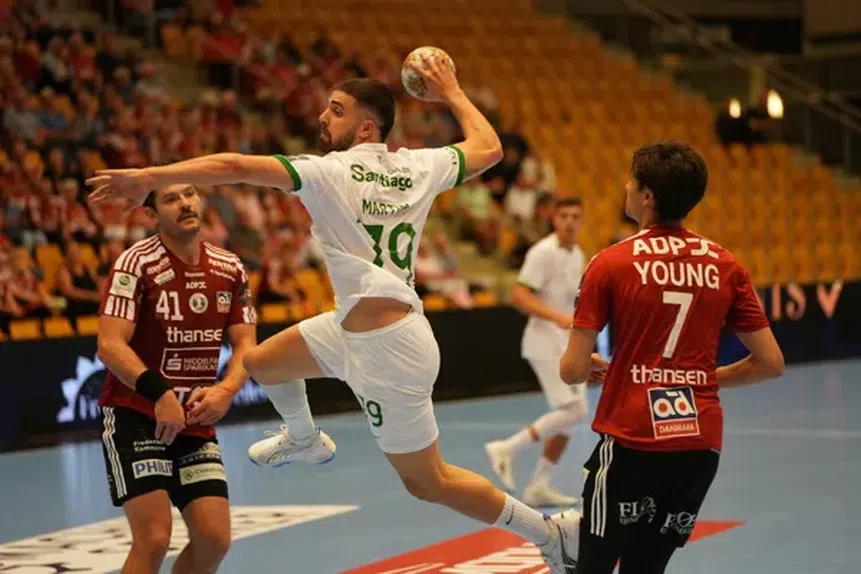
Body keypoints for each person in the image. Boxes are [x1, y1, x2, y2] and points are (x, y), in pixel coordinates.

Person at [88, 55, 582, 573]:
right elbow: (490, 149)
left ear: (366, 126)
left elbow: (230, 166)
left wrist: (147, 176)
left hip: (391, 349)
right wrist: (451, 90)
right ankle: (302, 436)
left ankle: (549, 534)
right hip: (353, 326)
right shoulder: (419, 165)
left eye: (336, 109)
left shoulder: (324, 173)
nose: (324, 117)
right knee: (259, 362)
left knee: (427, 482)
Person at [559, 141, 785, 573]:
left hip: (632, 439)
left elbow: (571, 369)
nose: (624, 187)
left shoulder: (610, 263)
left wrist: (595, 368)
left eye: (631, 180)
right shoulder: (726, 264)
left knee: (594, 566)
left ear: (647, 197)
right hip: (699, 443)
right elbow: (770, 362)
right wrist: (696, 378)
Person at [95, 183, 258, 574]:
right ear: (151, 216)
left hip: (194, 422)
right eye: (171, 199)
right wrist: (160, 393)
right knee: (153, 539)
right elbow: (110, 345)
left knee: (214, 540)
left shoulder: (230, 268)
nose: (185, 203)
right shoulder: (135, 263)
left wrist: (227, 389)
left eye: (190, 194)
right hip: (136, 415)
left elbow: (246, 346)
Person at [485, 197, 588, 507]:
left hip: (566, 345)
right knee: (575, 411)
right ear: (554, 219)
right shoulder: (542, 252)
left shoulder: (578, 254)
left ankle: (539, 484)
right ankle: (507, 447)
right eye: (564, 215)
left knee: (568, 418)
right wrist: (555, 317)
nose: (569, 221)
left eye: (575, 216)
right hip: (543, 344)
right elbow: (519, 295)